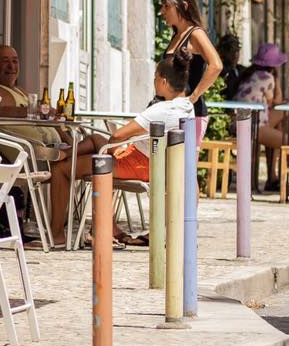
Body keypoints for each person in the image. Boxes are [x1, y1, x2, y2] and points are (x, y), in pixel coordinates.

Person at [48, 51, 196, 246]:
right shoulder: (186, 107)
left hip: (141, 164)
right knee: (96, 139)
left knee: (62, 170)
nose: (154, 81)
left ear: (164, 81)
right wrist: (113, 148)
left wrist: (111, 150)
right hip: (150, 159)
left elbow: (118, 136)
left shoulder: (161, 110)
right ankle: (65, 152)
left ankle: (57, 234)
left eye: (155, 78)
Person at [159, 0, 223, 141]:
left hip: (190, 113)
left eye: (167, 6)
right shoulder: (177, 36)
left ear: (184, 6)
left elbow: (216, 65)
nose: (162, 11)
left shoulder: (196, 33)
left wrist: (193, 97)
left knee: (185, 164)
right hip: (172, 112)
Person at [235, 42, 289, 191]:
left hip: (240, 121)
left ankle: (272, 178)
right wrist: (277, 79)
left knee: (279, 122)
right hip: (253, 125)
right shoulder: (267, 77)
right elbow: (275, 101)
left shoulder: (248, 74)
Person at [217, 32, 247, 102]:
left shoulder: (243, 71)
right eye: (231, 50)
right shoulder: (220, 71)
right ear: (223, 51)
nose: (235, 55)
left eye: (237, 50)